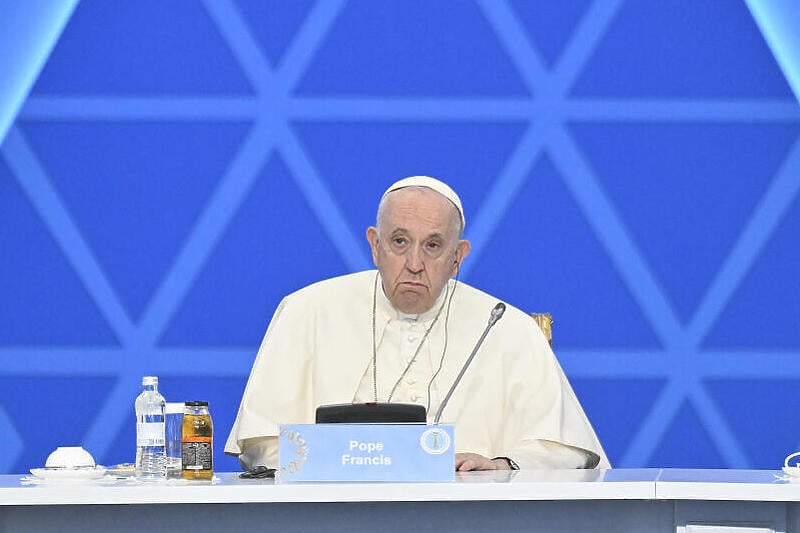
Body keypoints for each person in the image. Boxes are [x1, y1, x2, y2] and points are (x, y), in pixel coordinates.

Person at [225, 176, 610, 471]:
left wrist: (502, 467)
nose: (413, 264)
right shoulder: (306, 311)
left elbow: (564, 449)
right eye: (399, 242)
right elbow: (262, 444)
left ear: (458, 257)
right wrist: (336, 468)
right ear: (375, 245)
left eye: (432, 246)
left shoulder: (505, 326)